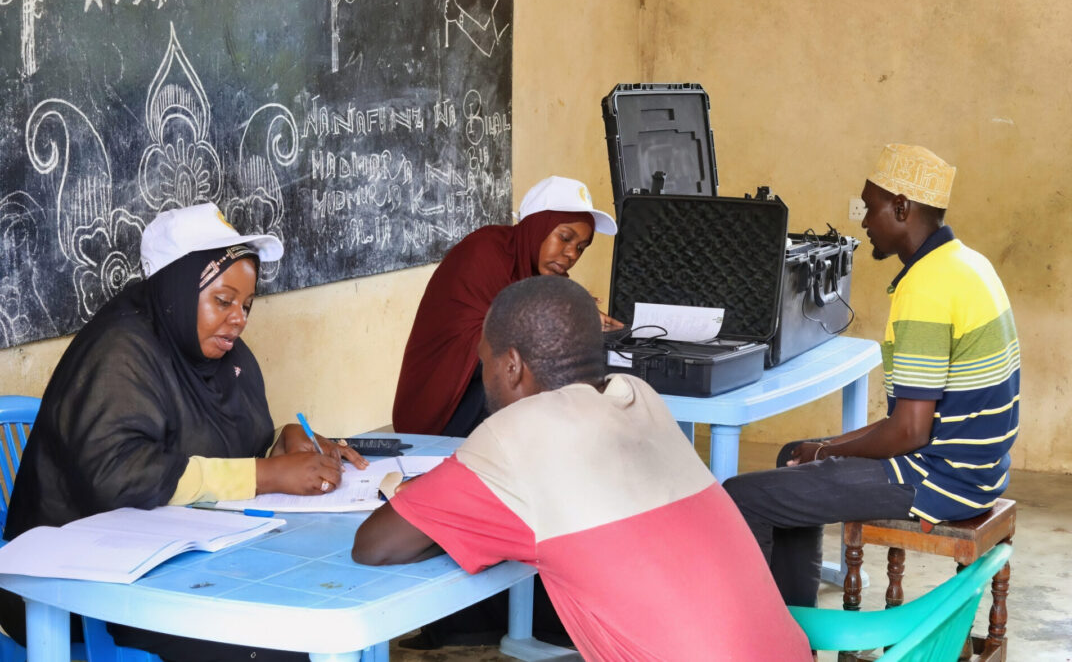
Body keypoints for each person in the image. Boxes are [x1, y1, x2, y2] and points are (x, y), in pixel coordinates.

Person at [353, 276, 812, 661]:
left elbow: (375, 546)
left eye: (484, 362)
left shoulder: (518, 432)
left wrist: (456, 523)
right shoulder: (639, 397)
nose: (485, 376)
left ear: (511, 365)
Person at [0, 203, 367, 662]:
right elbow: (121, 478)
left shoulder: (220, 356)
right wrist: (268, 474)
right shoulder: (121, 352)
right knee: (270, 641)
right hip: (74, 584)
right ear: (176, 287)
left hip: (176, 562)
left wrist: (285, 442)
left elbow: (227, 449)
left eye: (247, 304)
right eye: (223, 300)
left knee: (316, 600)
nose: (239, 319)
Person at [723, 144, 1021, 608]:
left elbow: (909, 431)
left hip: (939, 479)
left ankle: (769, 642)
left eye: (871, 206)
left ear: (901, 208)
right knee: (793, 455)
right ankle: (799, 629)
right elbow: (908, 422)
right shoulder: (967, 263)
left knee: (743, 495)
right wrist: (823, 450)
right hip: (981, 470)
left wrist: (828, 448)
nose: (864, 221)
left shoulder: (927, 286)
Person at [393, 175, 620, 440]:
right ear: (536, 227)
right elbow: (487, 342)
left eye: (581, 247)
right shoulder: (484, 251)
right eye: (565, 238)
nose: (571, 254)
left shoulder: (538, 272)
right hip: (446, 404)